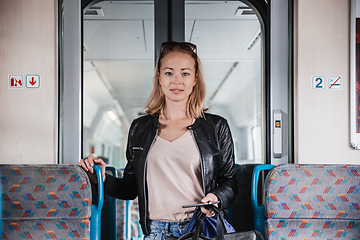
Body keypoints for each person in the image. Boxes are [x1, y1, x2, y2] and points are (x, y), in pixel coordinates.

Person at [77, 41, 237, 240]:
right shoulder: (140, 128)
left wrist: (216, 198)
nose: (176, 80)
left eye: (185, 73)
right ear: (159, 78)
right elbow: (131, 187)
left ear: (195, 79)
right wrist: (101, 179)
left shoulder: (216, 127)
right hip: (154, 233)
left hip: (198, 229)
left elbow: (229, 181)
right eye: (169, 73)